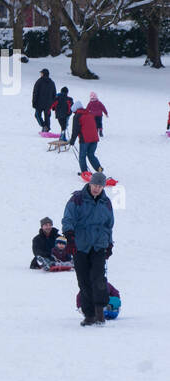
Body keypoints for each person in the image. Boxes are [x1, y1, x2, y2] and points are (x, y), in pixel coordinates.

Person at [62, 173, 114, 326]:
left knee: (98, 278)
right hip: (80, 245)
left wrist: (109, 244)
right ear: (90, 184)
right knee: (84, 280)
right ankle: (89, 315)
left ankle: (100, 313)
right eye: (95, 185)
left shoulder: (106, 203)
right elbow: (68, 219)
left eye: (100, 186)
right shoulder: (77, 199)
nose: (97, 188)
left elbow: (109, 225)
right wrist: (70, 237)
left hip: (99, 245)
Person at [70, 103, 103, 174]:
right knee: (91, 154)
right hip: (95, 138)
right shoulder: (90, 114)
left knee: (82, 156)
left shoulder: (77, 116)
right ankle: (99, 168)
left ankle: (85, 172)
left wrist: (72, 141)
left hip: (85, 139)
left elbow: (75, 130)